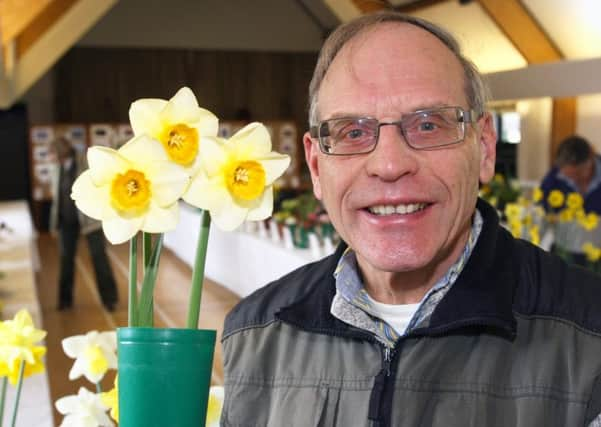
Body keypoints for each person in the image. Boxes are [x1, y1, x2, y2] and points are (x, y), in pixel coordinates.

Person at [221, 12, 601, 427]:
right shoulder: (254, 335)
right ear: (315, 165)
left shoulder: (589, 336)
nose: (388, 165)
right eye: (352, 132)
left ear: (485, 148)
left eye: (427, 124)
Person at [50, 137, 119, 311]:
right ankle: (65, 301)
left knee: (99, 257)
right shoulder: (56, 169)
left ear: (60, 152)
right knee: (66, 260)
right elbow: (56, 198)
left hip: (90, 221)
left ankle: (110, 299)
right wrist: (54, 224)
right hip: (66, 222)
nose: (50, 158)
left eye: (52, 153)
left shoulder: (84, 161)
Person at [540, 135, 601, 265]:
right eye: (569, 176)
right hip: (564, 252)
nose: (574, 180)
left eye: (578, 174)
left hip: (597, 255)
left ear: (591, 157)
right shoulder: (554, 178)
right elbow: (543, 208)